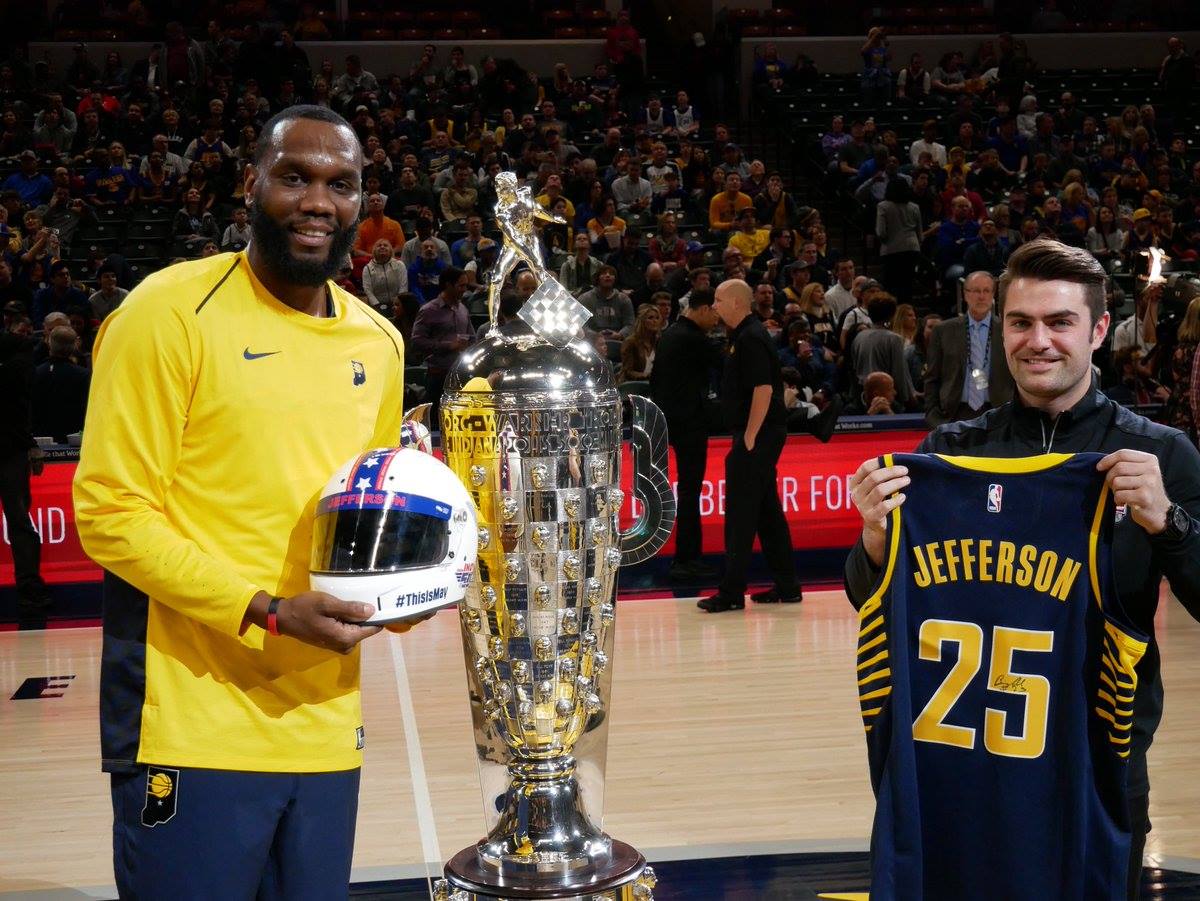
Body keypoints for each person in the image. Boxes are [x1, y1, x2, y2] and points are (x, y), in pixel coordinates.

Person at [72, 105, 412, 900]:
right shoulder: (165, 313)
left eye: (341, 183)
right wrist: (264, 609)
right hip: (193, 725)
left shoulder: (380, 343)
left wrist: (397, 591)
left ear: (364, 204)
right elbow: (110, 512)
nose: (318, 201)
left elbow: (362, 523)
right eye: (295, 177)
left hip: (327, 729)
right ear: (249, 183)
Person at [846, 238, 1200, 901]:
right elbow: (870, 597)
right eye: (1020, 322)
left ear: (1098, 329)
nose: (1039, 341)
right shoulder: (948, 453)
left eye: (1060, 322)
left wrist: (1167, 520)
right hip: (956, 769)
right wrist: (873, 538)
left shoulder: (1158, 455)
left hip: (1095, 770)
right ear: (999, 326)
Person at [699, 279, 801, 612]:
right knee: (767, 512)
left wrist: (750, 435)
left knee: (741, 514)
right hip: (761, 432)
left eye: (718, 300)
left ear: (737, 303)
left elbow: (763, 389)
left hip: (759, 433)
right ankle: (788, 587)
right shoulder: (745, 335)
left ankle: (731, 592)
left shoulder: (751, 337)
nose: (714, 306)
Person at [650, 289, 721, 582]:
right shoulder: (693, 339)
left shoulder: (671, 334)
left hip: (672, 421)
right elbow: (726, 364)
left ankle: (688, 557)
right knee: (690, 493)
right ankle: (687, 559)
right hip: (689, 423)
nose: (717, 319)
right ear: (703, 309)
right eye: (715, 312)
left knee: (687, 492)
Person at [923, 270, 1014, 427]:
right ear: (965, 294)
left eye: (986, 291)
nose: (981, 296)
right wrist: (932, 416)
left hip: (999, 413)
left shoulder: (1007, 329)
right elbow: (932, 377)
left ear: (993, 294)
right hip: (954, 414)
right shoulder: (943, 331)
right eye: (976, 291)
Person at [411, 265, 471, 423]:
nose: (465, 289)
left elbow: (471, 336)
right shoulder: (428, 310)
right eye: (461, 285)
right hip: (438, 377)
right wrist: (448, 345)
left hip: (460, 376)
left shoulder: (463, 309)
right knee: (434, 423)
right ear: (448, 285)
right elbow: (417, 341)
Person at [32, 325, 89, 442]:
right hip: (74, 440)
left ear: (49, 343)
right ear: (75, 345)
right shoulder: (84, 375)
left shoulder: (36, 373)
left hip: (42, 439)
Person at [1164, 295, 1200, 446]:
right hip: (1189, 417)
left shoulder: (1180, 349)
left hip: (1179, 413)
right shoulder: (1193, 351)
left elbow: (1175, 377)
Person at [361, 238, 408, 314]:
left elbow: (403, 286)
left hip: (398, 304)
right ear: (374, 251)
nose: (382, 247)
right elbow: (368, 290)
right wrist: (377, 306)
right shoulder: (367, 269)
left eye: (385, 245)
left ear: (391, 250)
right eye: (379, 246)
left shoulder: (400, 265)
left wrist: (398, 302)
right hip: (377, 306)